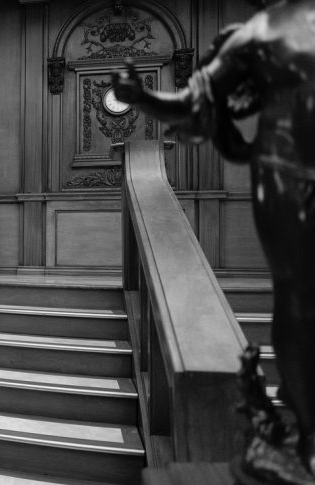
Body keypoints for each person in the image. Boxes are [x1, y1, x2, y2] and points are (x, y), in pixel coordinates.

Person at [113, 0, 315, 477]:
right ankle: (306, 439)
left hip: (288, 172)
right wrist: (139, 96)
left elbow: (192, 105)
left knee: (301, 299)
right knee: (300, 300)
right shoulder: (261, 31)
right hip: (290, 174)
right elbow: (196, 104)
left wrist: (139, 95)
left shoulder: (268, 29)